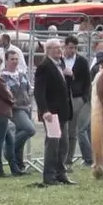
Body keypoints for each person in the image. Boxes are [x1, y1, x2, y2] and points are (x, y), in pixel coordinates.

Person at [33, 38, 76, 186]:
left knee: (63, 144)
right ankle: (49, 176)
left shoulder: (61, 63)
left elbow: (63, 87)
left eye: (60, 47)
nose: (59, 50)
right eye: (56, 48)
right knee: (53, 144)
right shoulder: (44, 66)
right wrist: (44, 110)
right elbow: (39, 91)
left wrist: (69, 77)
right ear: (49, 50)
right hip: (51, 112)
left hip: (62, 111)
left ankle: (61, 173)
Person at [1, 50, 35, 172]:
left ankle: (19, 165)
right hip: (15, 109)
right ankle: (8, 148)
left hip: (26, 107)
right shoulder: (3, 77)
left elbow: (29, 88)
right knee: (29, 129)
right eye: (12, 59)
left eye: (16, 59)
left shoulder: (22, 75)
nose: (15, 61)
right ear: (6, 60)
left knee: (23, 136)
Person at [62, 36, 92, 171]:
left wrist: (85, 97)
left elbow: (87, 80)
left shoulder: (81, 61)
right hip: (63, 98)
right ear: (65, 47)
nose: (72, 50)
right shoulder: (60, 61)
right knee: (66, 131)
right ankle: (63, 159)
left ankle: (68, 160)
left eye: (75, 48)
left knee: (73, 131)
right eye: (70, 47)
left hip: (77, 98)